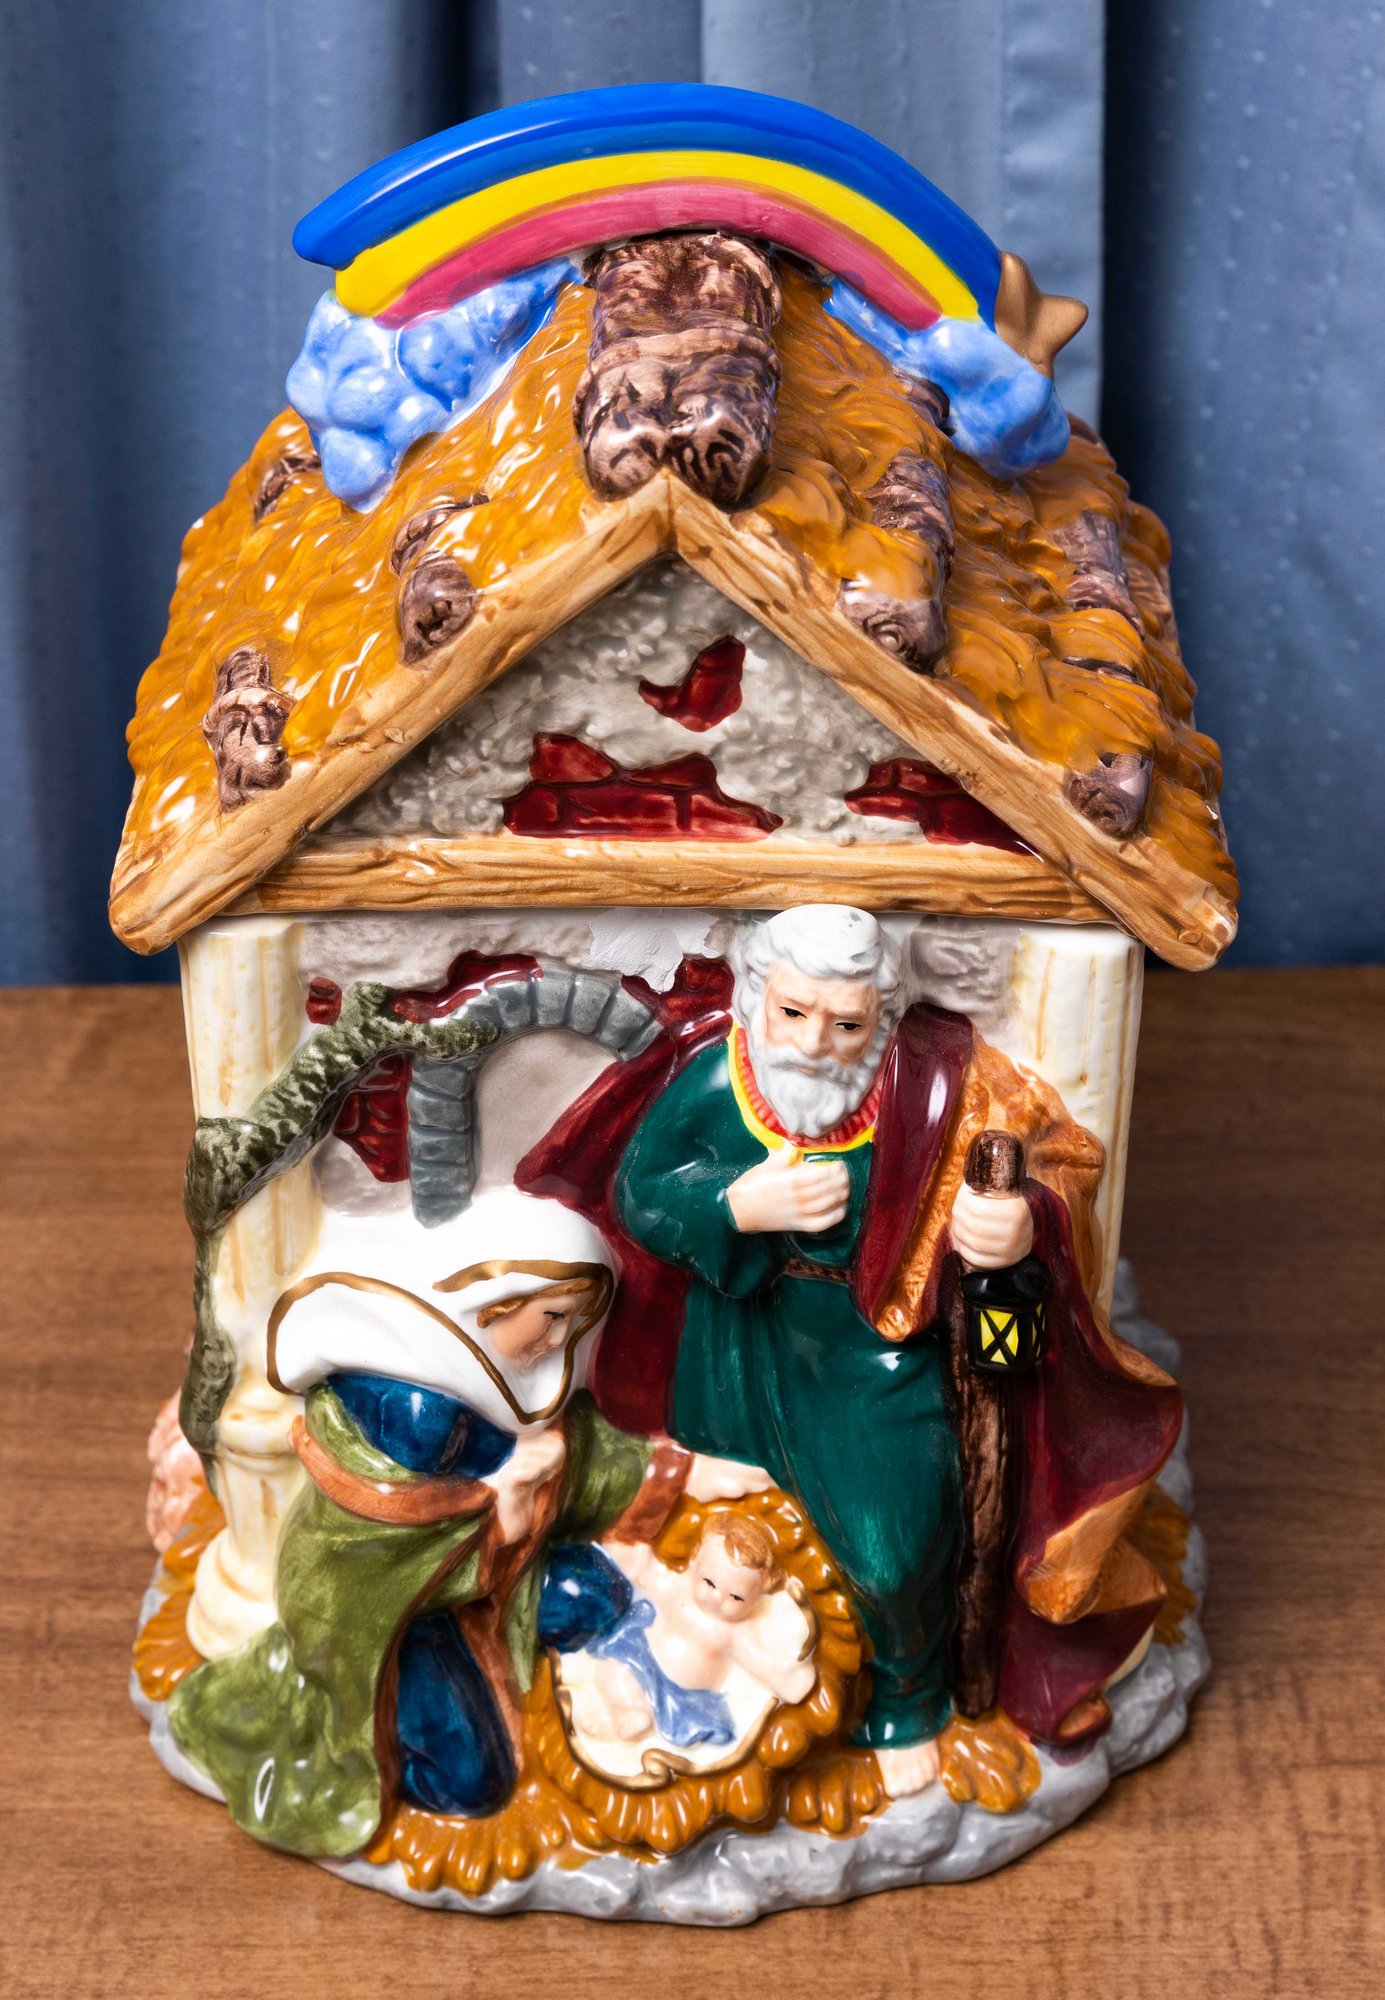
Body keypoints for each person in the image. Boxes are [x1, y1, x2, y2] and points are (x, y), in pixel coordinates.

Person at [600, 907, 1180, 1796]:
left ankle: (907, 1699)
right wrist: (732, 1206)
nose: (813, 1046)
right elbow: (642, 1192)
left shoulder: (942, 1082)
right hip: (742, 1335)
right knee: (717, 1512)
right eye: (792, 1013)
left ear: (882, 1017)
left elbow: (1060, 1156)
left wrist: (1024, 1219)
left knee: (893, 1550)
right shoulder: (719, 1079)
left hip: (879, 1341)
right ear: (755, 996)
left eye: (846, 1025)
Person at [167, 1189, 689, 1858]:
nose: (561, 1339)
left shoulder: (512, 1376)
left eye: (574, 1320)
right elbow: (391, 1542)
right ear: (492, 1306)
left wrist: (663, 1469)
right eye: (552, 1317)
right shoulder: (419, 1416)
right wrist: (508, 1499)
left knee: (594, 1594)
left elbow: (583, 1450)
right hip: (398, 1613)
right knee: (468, 1784)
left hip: (491, 1584)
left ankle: (582, 1681)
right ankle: (387, 1742)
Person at [572, 1513, 815, 1748]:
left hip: (681, 1696)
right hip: (640, 1658)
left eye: (736, 1597)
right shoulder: (677, 1589)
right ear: (694, 1561)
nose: (717, 1598)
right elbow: (649, 1577)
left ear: (758, 1597)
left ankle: (634, 1716)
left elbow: (757, 1661)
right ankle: (626, 1709)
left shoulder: (736, 1633)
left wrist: (785, 1679)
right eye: (709, 1582)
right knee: (613, 1669)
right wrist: (633, 1552)